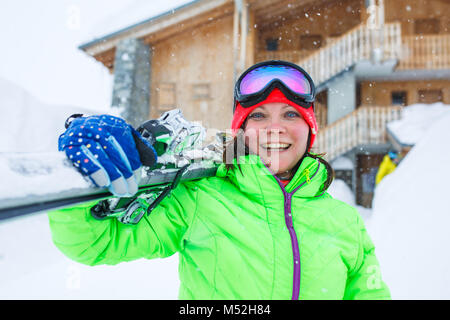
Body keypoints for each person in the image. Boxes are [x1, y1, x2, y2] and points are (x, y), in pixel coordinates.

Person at [49, 60, 390, 300]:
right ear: (240, 131)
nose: (276, 128)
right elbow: (94, 243)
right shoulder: (200, 198)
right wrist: (77, 176)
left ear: (310, 129)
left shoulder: (345, 222)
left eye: (290, 114)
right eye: (258, 116)